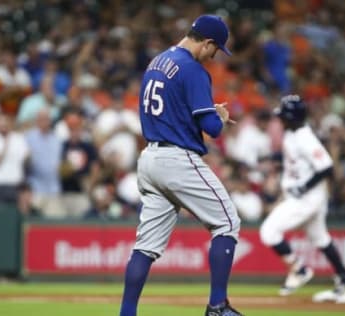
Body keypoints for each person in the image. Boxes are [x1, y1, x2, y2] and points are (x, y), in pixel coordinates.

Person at [119, 15, 243, 316]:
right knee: (227, 223)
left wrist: (202, 112)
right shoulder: (193, 69)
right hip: (176, 159)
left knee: (145, 247)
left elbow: (171, 109)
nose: (214, 56)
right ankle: (217, 307)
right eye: (215, 49)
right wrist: (220, 117)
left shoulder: (156, 62)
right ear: (208, 42)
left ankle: (127, 313)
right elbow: (212, 128)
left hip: (149, 158)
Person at [259, 95, 345, 296]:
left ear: (294, 118)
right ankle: (344, 275)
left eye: (284, 116)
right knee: (320, 238)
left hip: (306, 198)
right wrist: (273, 158)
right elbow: (293, 157)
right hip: (304, 197)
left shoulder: (306, 138)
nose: (281, 119)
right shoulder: (292, 133)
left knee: (268, 232)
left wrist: (304, 187)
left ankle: (299, 269)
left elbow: (327, 168)